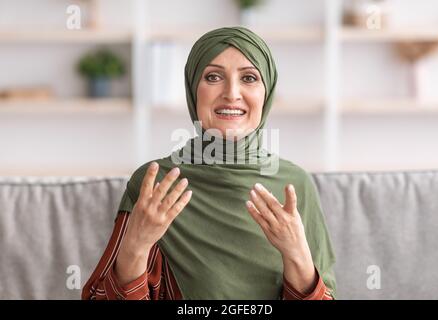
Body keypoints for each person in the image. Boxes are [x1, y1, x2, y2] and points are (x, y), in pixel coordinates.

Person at [82, 26, 337, 300]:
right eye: (213, 77)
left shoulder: (294, 185)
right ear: (193, 90)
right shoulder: (155, 184)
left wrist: (297, 255)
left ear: (267, 92)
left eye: (249, 78)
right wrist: (135, 247)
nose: (232, 93)